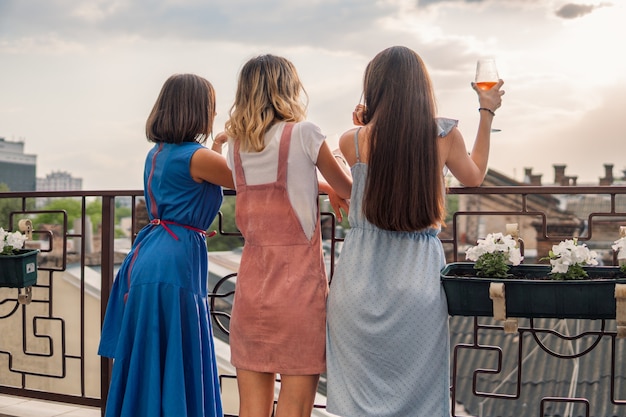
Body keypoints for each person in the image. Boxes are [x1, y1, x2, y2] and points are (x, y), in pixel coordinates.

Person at [325, 45, 504, 417]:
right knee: (417, 397)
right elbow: (474, 177)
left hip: (357, 283)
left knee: (357, 397)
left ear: (374, 87)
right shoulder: (444, 135)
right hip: (417, 282)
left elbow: (361, 168)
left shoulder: (352, 140)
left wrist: (364, 121)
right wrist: (486, 112)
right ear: (421, 88)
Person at [220, 54, 352, 417]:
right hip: (299, 291)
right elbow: (350, 188)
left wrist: (319, 183)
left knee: (252, 409)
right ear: (288, 88)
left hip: (251, 286)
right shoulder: (305, 133)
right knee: (294, 408)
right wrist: (330, 181)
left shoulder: (236, 147)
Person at [98, 73, 234, 417]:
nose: (214, 113)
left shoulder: (157, 153)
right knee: (176, 350)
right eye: (211, 107)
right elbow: (249, 178)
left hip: (152, 255)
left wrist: (217, 147)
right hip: (173, 262)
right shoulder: (197, 157)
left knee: (151, 355)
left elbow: (193, 184)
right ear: (197, 110)